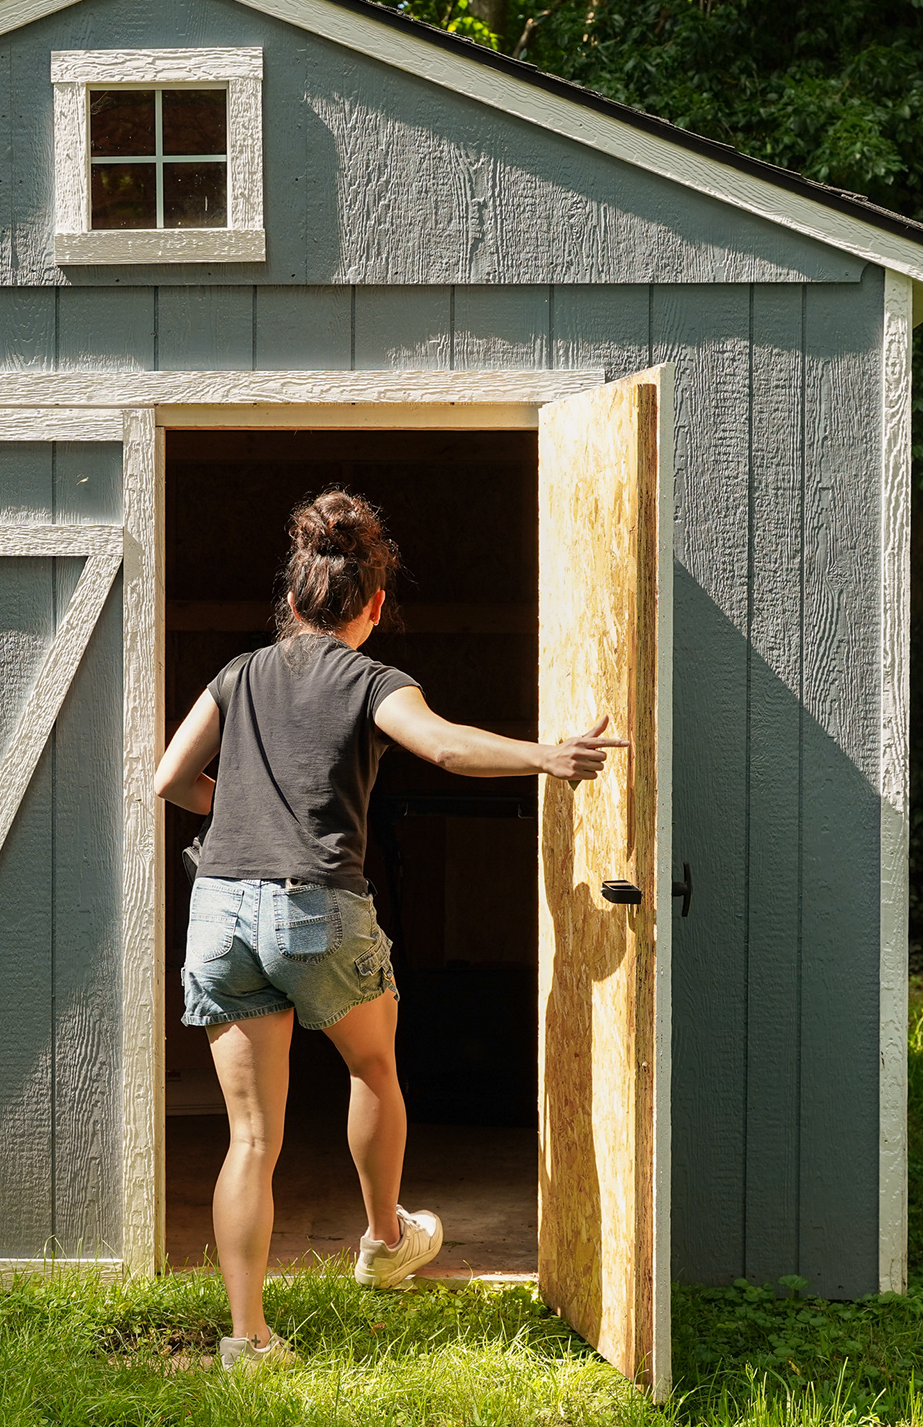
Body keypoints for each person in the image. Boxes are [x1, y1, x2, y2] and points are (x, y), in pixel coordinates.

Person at [152, 488, 626, 1373]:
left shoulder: (237, 674)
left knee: (251, 1139)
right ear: (372, 606)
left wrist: (241, 811)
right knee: (372, 1066)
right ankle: (383, 1242)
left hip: (217, 910)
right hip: (314, 907)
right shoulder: (373, 680)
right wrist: (546, 756)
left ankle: (248, 1340)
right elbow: (442, 746)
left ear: (291, 598)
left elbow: (170, 779)